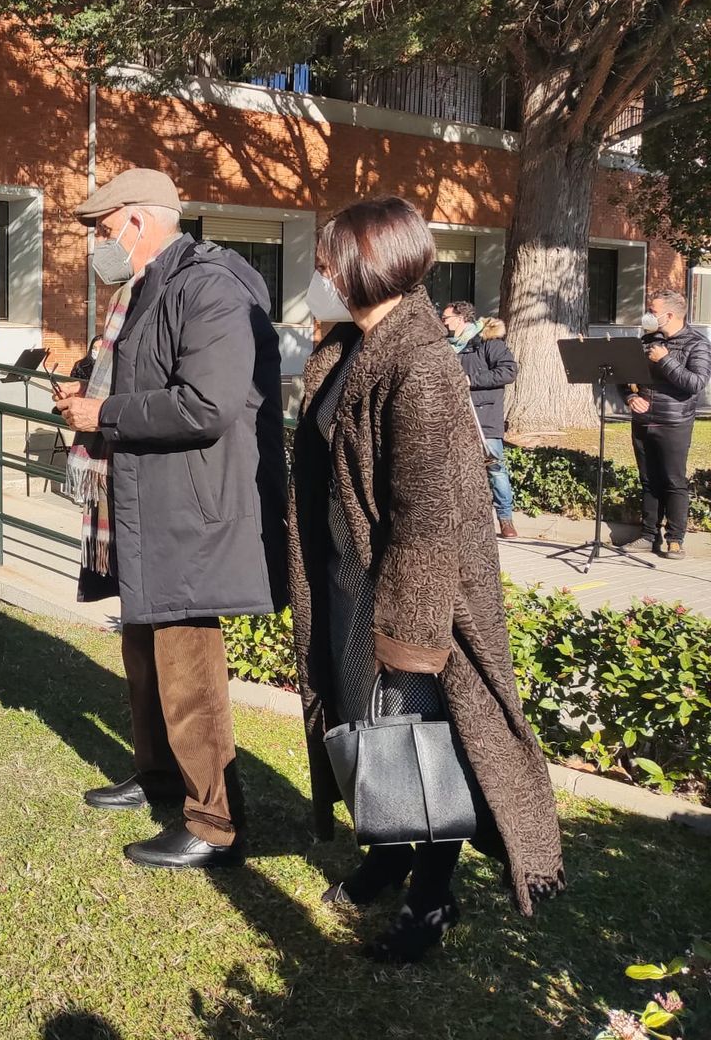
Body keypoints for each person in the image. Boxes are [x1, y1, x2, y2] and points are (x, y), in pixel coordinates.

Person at [290, 197, 564, 963]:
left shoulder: (419, 363)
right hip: (352, 583)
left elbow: (427, 515)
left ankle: (433, 895)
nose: (317, 274)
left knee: (426, 744)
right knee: (367, 728)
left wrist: (409, 637)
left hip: (412, 599)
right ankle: (387, 850)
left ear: (361, 265)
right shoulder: (348, 345)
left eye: (326, 260)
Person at [53, 168, 288, 870]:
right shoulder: (147, 288)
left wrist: (107, 412)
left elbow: (207, 405)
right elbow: (143, 380)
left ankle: (216, 823)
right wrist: (84, 389)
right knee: (144, 654)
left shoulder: (209, 285)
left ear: (140, 223)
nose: (99, 246)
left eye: (103, 231)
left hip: (192, 510)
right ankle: (159, 776)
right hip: (147, 502)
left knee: (187, 668)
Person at [627, 288, 711, 560]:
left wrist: (664, 360)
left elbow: (695, 384)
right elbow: (625, 376)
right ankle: (648, 535)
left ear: (669, 315)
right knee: (648, 480)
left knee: (673, 481)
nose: (648, 316)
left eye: (652, 312)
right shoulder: (648, 339)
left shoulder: (697, 344)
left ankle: (675, 539)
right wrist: (630, 396)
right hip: (643, 419)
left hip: (674, 421)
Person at [441, 301, 519, 538]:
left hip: (484, 416)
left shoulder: (488, 342)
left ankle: (506, 520)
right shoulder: (446, 347)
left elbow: (509, 371)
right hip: (454, 417)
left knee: (495, 468)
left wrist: (471, 379)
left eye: (446, 318)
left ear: (461, 318)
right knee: (455, 470)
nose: (442, 322)